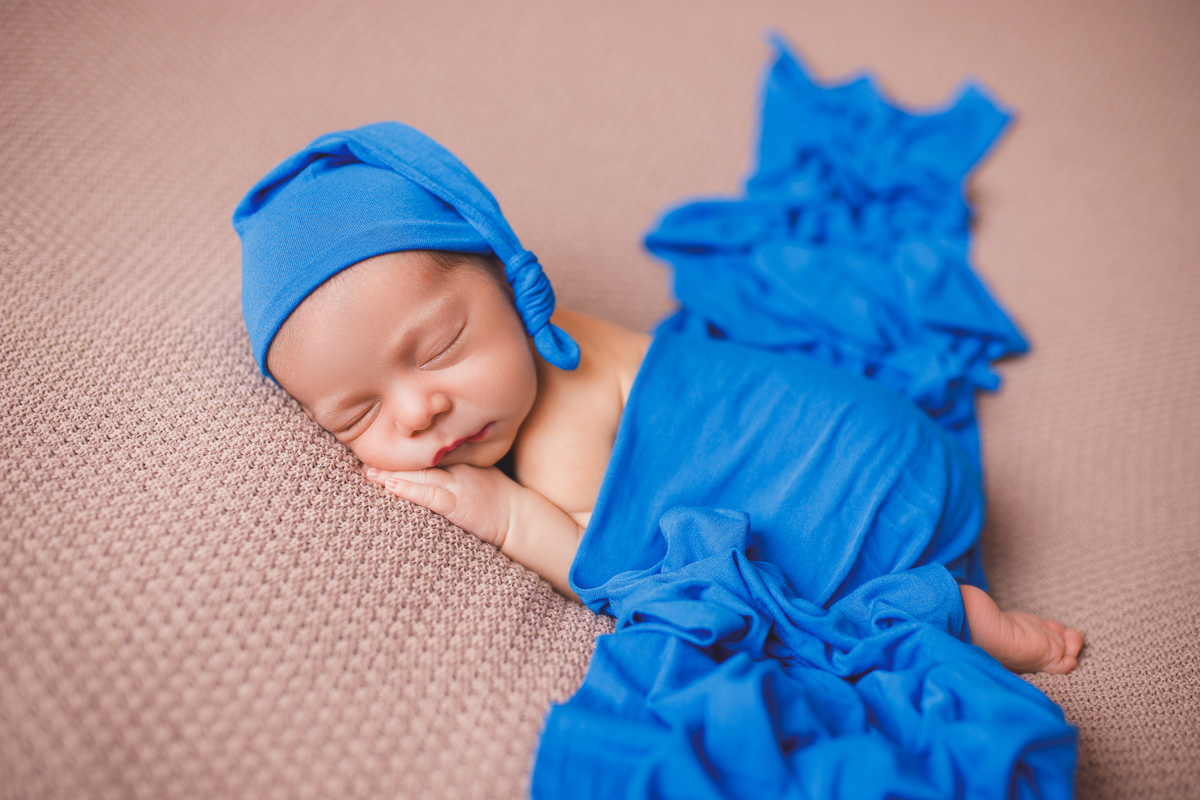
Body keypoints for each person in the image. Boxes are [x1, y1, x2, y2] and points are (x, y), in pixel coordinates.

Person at [235, 122, 1082, 675]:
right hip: (897, 438)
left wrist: (504, 516)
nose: (417, 411)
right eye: (357, 415)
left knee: (783, 627)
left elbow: (610, 571)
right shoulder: (555, 333)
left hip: (871, 498)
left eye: (440, 348)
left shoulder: (563, 419)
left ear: (512, 282)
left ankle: (953, 612)